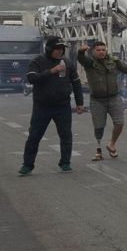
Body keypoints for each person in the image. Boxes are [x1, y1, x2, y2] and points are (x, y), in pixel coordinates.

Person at [20, 36, 84, 175]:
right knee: (34, 136)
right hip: (42, 107)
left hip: (62, 106)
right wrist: (51, 71)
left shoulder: (67, 63)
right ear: (48, 49)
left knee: (66, 135)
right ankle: (27, 165)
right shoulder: (37, 62)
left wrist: (79, 103)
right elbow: (32, 78)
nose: (59, 52)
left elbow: (76, 83)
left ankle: (65, 162)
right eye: (56, 49)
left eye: (61, 49)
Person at [76, 40, 127, 161]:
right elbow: (81, 59)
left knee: (119, 123)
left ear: (106, 51)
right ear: (93, 51)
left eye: (103, 50)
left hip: (114, 97)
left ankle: (112, 144)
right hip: (97, 100)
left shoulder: (114, 62)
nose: (101, 52)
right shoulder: (89, 62)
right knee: (99, 126)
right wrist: (81, 51)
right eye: (98, 50)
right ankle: (98, 149)